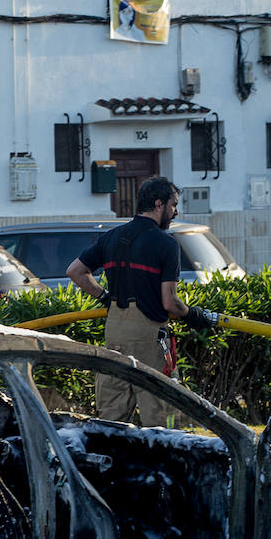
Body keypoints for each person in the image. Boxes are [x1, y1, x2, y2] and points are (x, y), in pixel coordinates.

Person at [66, 177, 213, 427]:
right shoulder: (166, 243)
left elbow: (75, 271)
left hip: (115, 334)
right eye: (173, 205)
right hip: (149, 338)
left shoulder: (112, 237)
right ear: (159, 204)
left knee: (112, 418)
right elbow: (170, 303)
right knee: (163, 417)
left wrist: (105, 298)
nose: (176, 212)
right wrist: (196, 316)